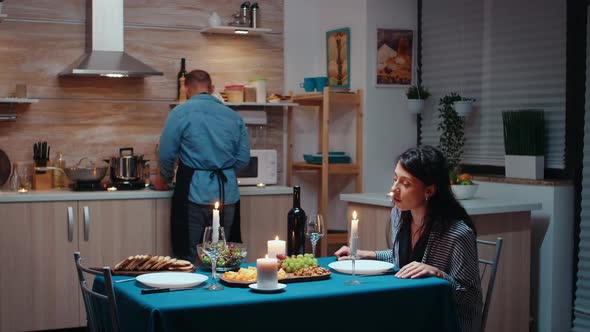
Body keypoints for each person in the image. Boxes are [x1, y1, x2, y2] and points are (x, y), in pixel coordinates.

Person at [335, 145, 482, 332]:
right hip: (411, 311)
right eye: (395, 179)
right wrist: (365, 254)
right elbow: (406, 261)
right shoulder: (400, 215)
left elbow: (470, 297)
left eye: (405, 184)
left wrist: (438, 274)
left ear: (429, 190)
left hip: (444, 321)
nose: (394, 189)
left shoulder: (458, 233)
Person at [155, 69, 250, 263]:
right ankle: (222, 291)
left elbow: (166, 153)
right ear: (212, 88)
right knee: (225, 256)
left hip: (193, 193)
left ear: (186, 88)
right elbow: (242, 159)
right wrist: (224, 170)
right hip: (227, 193)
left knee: (187, 257)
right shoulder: (233, 116)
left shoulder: (180, 112)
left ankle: (189, 292)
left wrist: (164, 178)